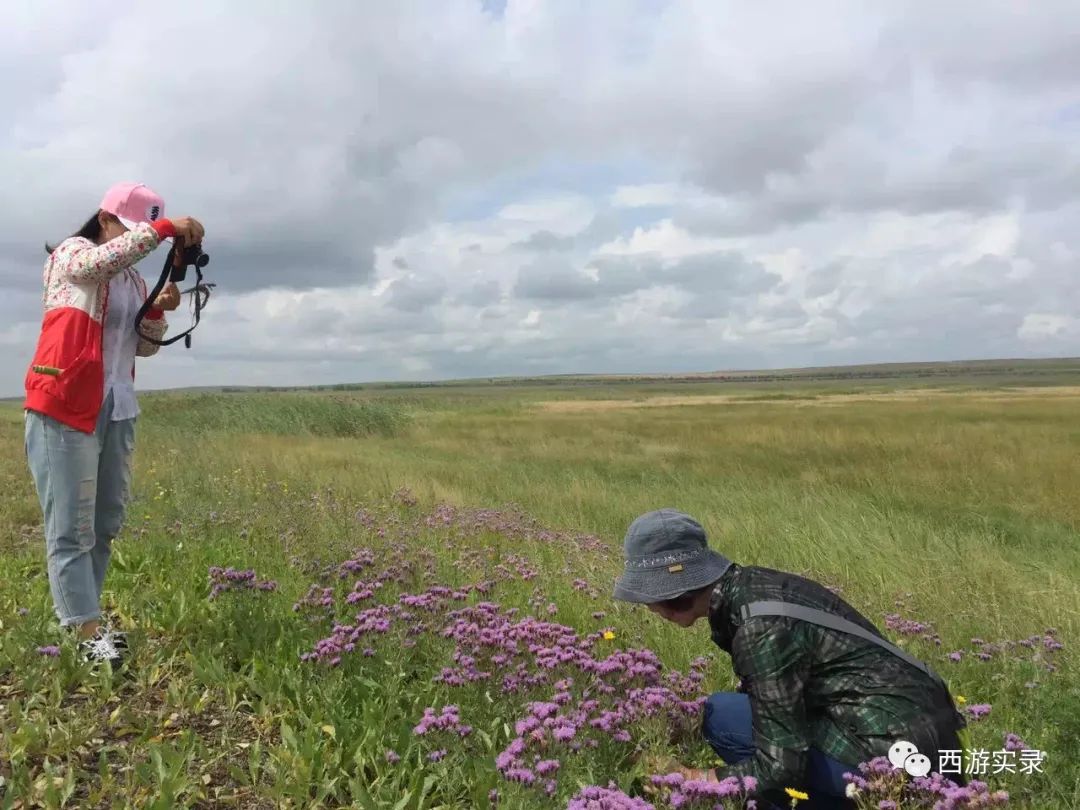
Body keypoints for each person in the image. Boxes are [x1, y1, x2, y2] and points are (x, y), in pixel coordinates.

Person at [613, 509, 967, 809]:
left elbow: (780, 768)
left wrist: (698, 780)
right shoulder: (755, 587)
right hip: (928, 738)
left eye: (650, 597)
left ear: (673, 597)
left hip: (898, 764)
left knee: (723, 719)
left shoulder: (760, 629)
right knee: (723, 711)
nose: (649, 608)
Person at [23, 182, 205, 667]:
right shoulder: (73, 253)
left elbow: (141, 347)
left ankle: (87, 619)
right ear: (106, 219)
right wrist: (163, 230)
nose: (141, 242)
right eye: (133, 229)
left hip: (117, 407)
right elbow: (94, 267)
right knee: (69, 528)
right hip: (64, 402)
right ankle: (85, 634)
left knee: (104, 523)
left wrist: (160, 313)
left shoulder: (133, 283)